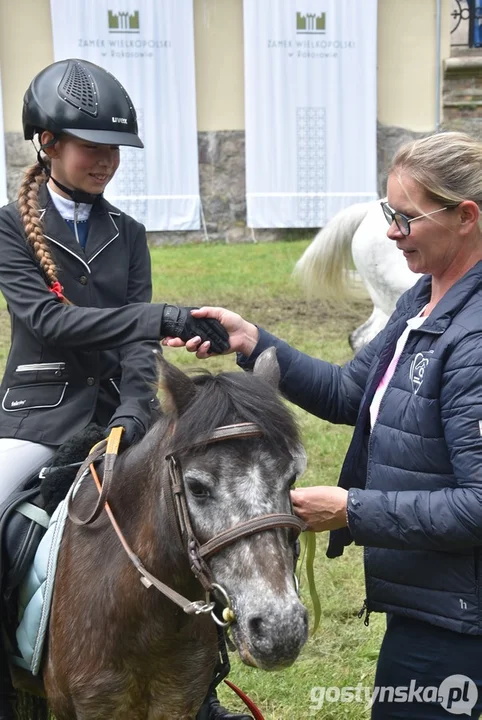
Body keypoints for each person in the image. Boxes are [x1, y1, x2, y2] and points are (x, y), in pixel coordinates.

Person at [166, 132, 482, 718]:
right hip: (434, 598)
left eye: (406, 218)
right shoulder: (425, 299)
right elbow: (350, 392)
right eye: (389, 212)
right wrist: (254, 340)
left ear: (466, 217)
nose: (391, 232)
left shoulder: (475, 338)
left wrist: (351, 509)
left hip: (461, 617)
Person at [0, 58, 250, 720]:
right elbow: (49, 322)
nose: (106, 161)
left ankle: (197, 673)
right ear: (47, 143)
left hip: (122, 412)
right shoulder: (8, 226)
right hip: (37, 419)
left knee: (190, 519)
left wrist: (137, 409)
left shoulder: (128, 235)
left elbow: (136, 348)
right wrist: (163, 316)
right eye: (91, 147)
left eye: (115, 149)